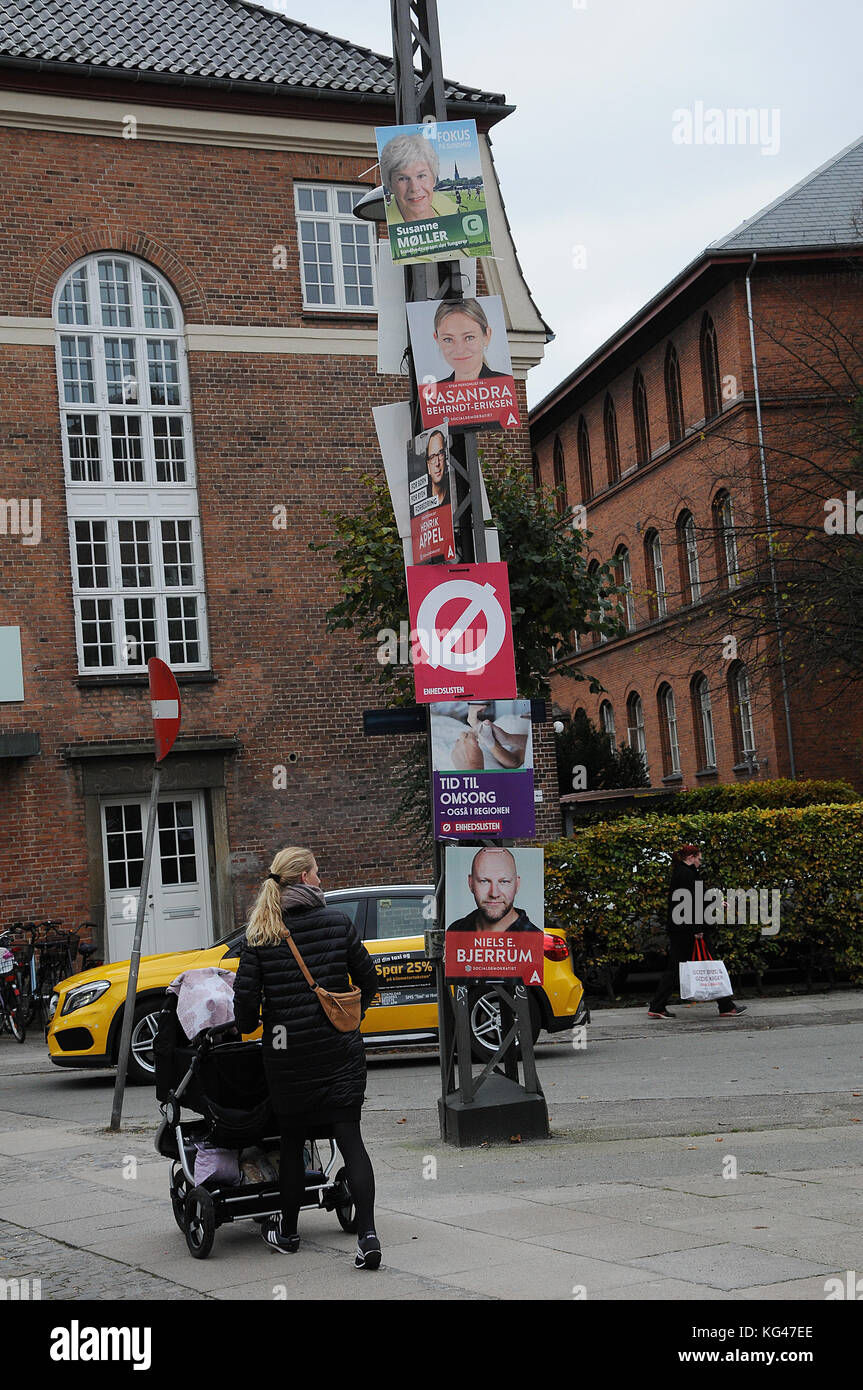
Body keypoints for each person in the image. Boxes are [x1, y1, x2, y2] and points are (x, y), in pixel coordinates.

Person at [232, 847, 383, 1267]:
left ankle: (290, 1232)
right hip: (340, 1052)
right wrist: (349, 1017)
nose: (321, 879)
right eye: (317, 872)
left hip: (287, 1056)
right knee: (350, 1139)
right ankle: (368, 1236)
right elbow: (369, 981)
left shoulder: (261, 934)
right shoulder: (338, 923)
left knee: (294, 1141)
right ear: (302, 877)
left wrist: (266, 1021)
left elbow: (244, 1012)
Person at [647, 844, 746, 1019]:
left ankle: (657, 1006)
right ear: (691, 857)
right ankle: (726, 1006)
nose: (700, 862)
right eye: (699, 858)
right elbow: (691, 903)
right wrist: (698, 929)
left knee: (676, 967)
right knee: (710, 963)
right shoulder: (687, 874)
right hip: (689, 929)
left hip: (681, 928)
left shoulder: (681, 872)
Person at [446, 847, 542, 937]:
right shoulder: (456, 930)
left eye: (504, 882)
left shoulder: (536, 939)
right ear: (470, 883)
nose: (494, 894)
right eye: (484, 881)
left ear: (517, 884)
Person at [380, 131, 457, 224]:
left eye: (421, 176)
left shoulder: (448, 206)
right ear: (390, 185)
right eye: (403, 179)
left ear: (433, 179)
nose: (414, 188)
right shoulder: (383, 222)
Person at [432, 298, 509, 383]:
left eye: (469, 337)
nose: (459, 350)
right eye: (448, 339)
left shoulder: (505, 384)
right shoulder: (433, 393)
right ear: (437, 339)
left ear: (487, 335)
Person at [424, 429, 450, 505]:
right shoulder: (423, 500)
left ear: (446, 457)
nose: (437, 463)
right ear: (428, 466)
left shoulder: (455, 491)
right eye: (432, 457)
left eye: (440, 454)